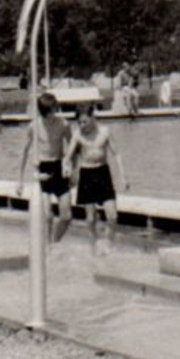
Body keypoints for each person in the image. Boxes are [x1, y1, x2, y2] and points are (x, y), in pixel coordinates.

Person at [65, 102, 127, 255]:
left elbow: (116, 154)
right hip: (86, 174)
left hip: (102, 173)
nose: (82, 125)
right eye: (79, 122)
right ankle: (93, 248)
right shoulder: (77, 134)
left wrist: (123, 177)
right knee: (91, 218)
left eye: (85, 121)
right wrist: (67, 168)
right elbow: (67, 156)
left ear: (93, 118)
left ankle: (109, 244)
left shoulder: (105, 132)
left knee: (112, 215)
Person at [15, 92, 73, 242]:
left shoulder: (63, 124)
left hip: (59, 168)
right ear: (44, 112)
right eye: (52, 110)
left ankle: (54, 241)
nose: (55, 113)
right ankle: (48, 248)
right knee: (47, 216)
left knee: (66, 216)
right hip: (44, 169)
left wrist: (71, 167)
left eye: (56, 109)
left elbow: (73, 149)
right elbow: (24, 152)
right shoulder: (34, 126)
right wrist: (19, 181)